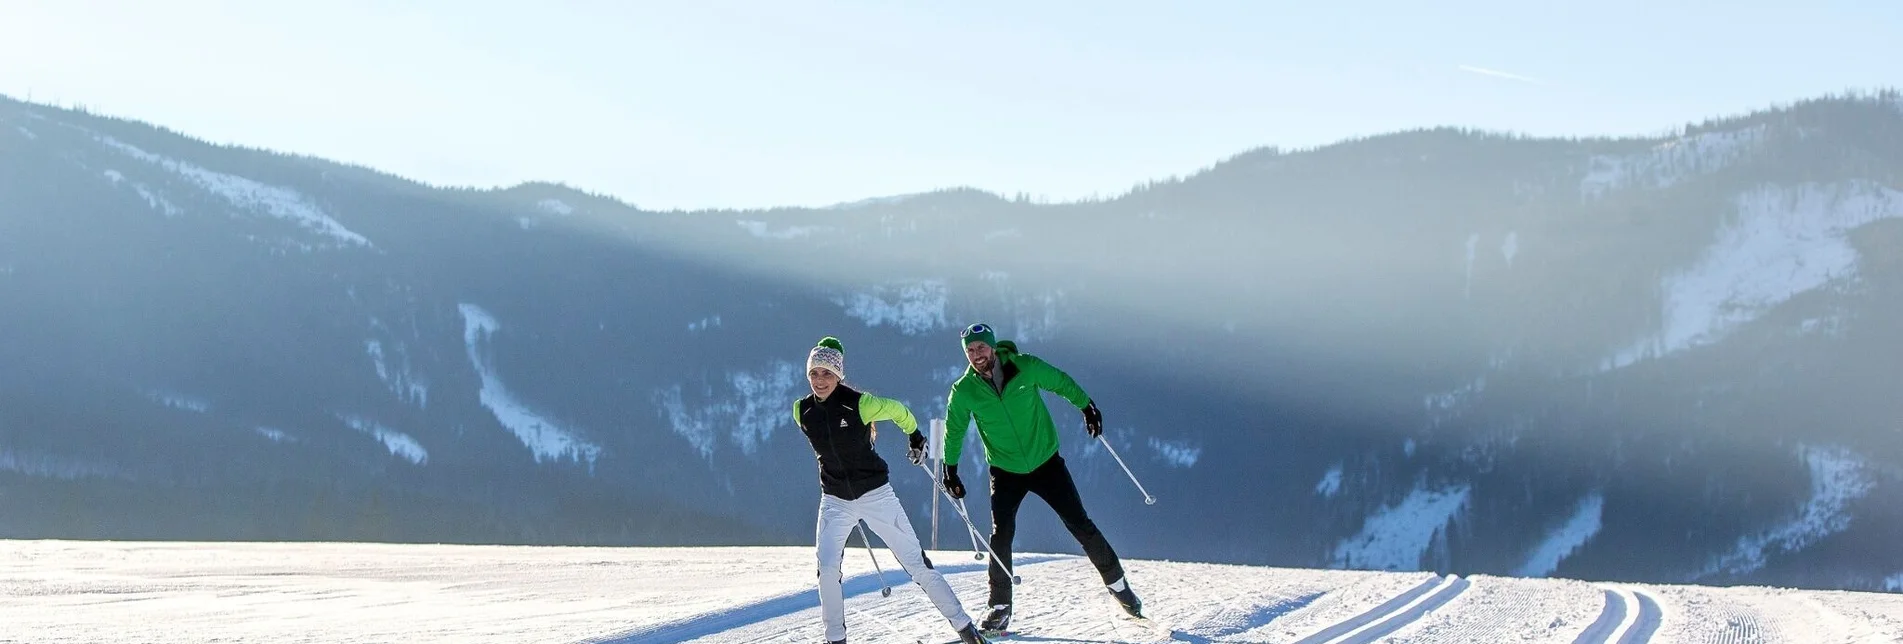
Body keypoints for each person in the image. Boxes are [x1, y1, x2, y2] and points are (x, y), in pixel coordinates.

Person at [941, 322, 1142, 633]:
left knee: (1080, 524)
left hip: (1046, 462)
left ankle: (1118, 584)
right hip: (1005, 471)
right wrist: (949, 468)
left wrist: (1086, 406)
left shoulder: (1026, 367)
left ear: (993, 347)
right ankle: (999, 606)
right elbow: (954, 430)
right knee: (1000, 536)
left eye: (981, 347)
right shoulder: (964, 390)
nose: (976, 355)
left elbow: (1060, 382)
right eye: (970, 350)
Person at [793, 336, 989, 644]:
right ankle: (835, 639)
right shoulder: (801, 411)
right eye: (814, 373)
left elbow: (899, 410)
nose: (820, 380)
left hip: (876, 495)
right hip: (834, 501)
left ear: (839, 375)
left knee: (916, 564)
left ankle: (966, 629)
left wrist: (915, 435)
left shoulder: (860, 403)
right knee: (827, 570)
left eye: (827, 373)